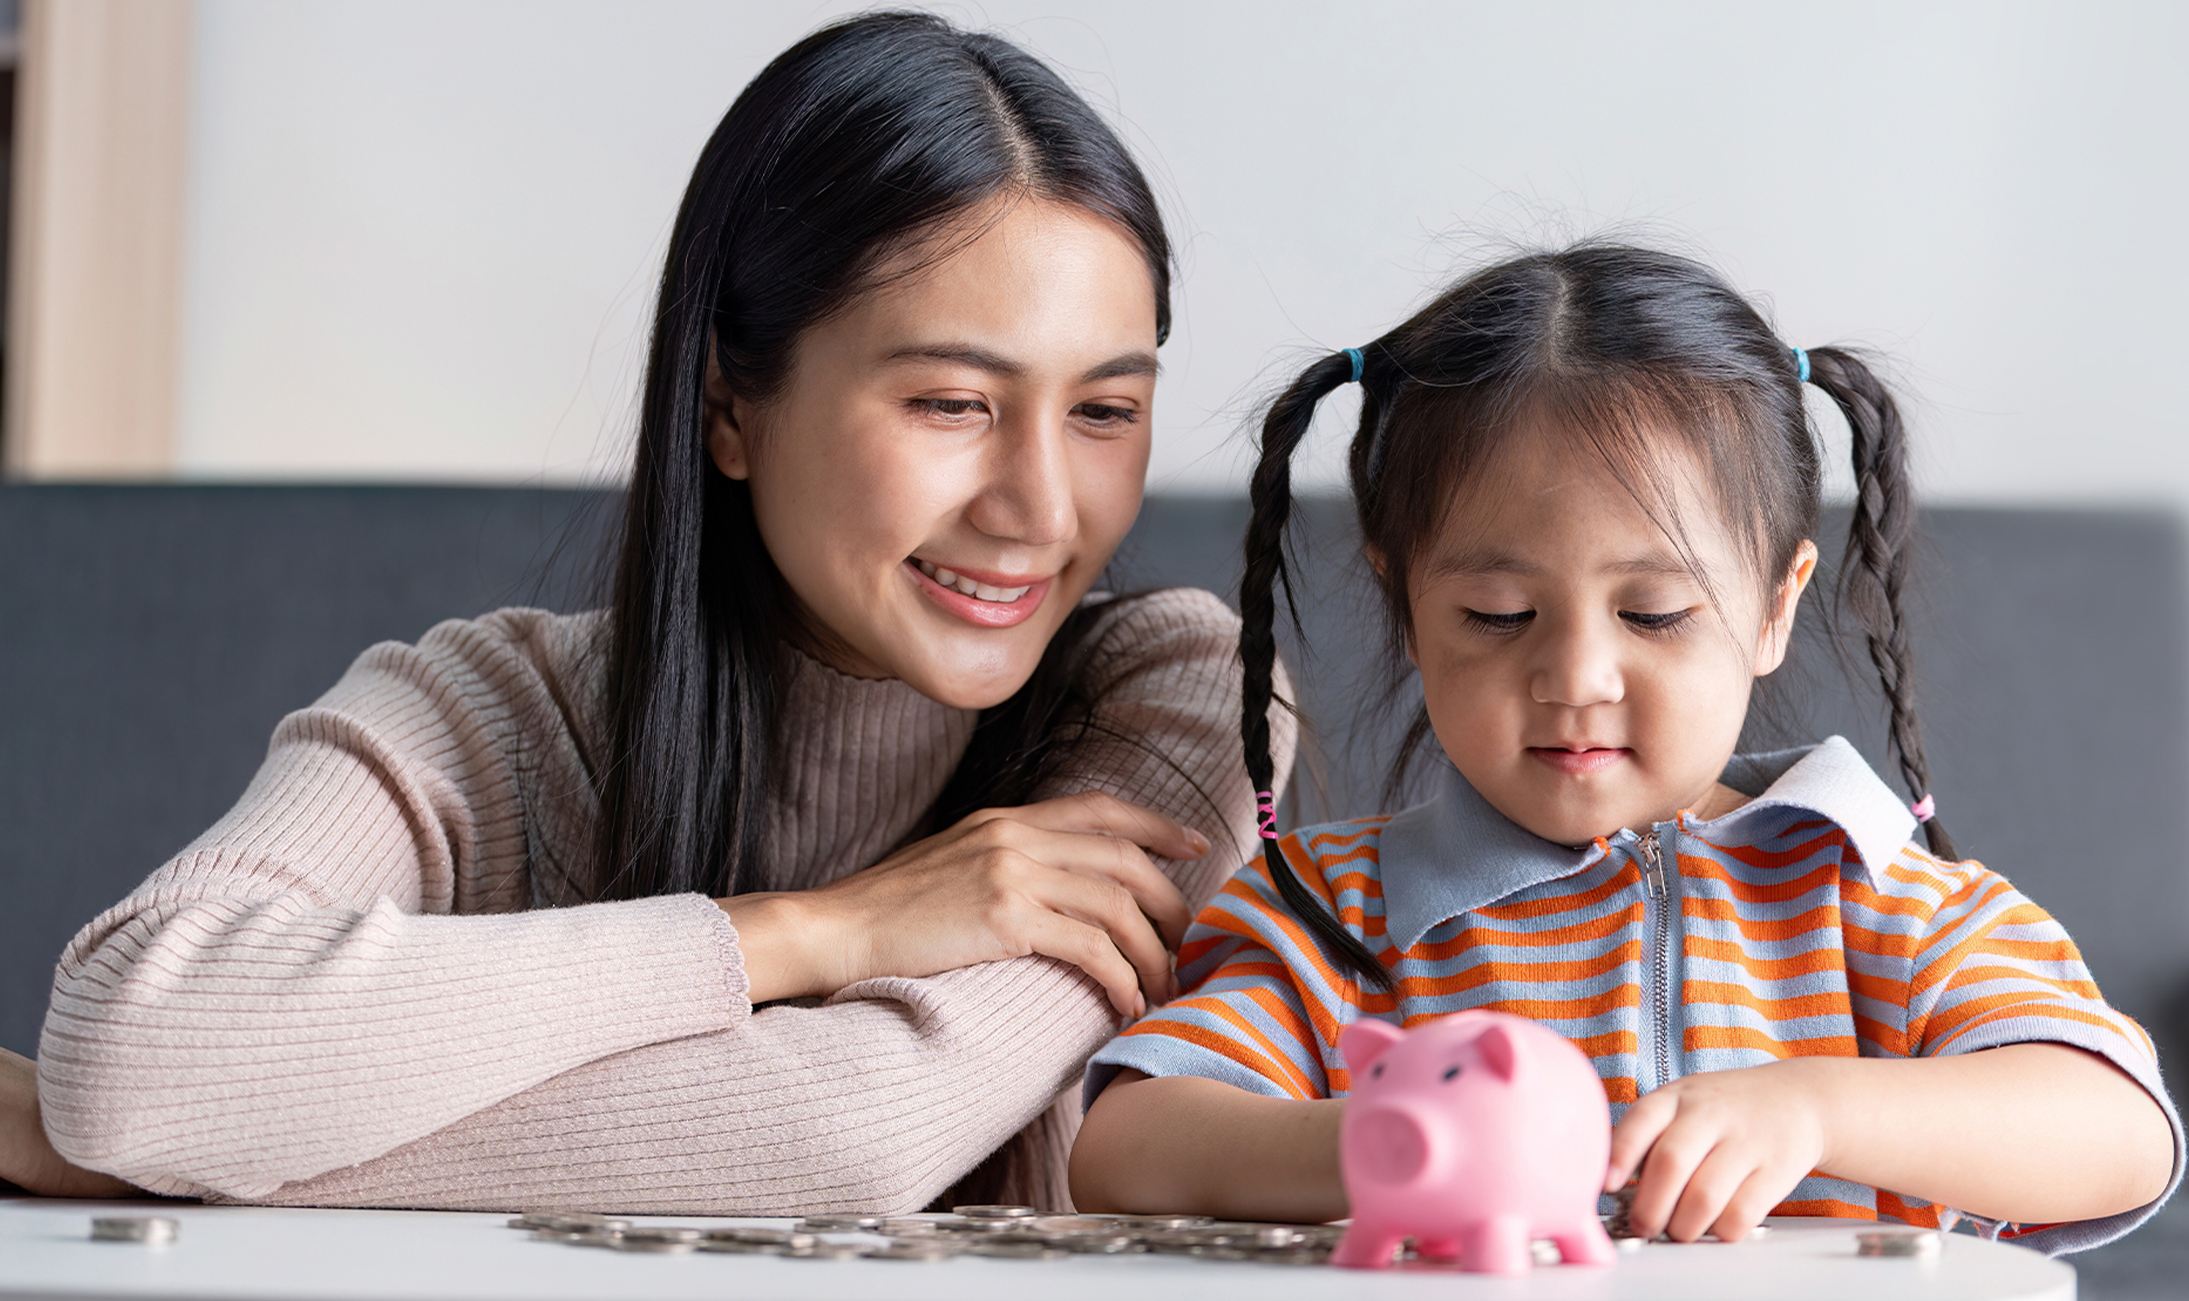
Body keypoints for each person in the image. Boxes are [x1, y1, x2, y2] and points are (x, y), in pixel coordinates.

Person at [0, 12, 1276, 1213]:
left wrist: (208, 1157)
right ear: (730, 406)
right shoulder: (490, 711)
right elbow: (132, 1050)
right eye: (950, 404)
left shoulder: (1181, 702)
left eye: (1105, 411)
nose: (1043, 510)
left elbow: (854, 1130)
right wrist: (815, 928)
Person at [1065, 244, 2180, 1255]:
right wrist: (1382, 1141)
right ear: (1401, 599)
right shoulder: (1331, 913)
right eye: (1498, 614)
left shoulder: (1876, 892)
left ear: (1771, 607)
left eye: (1652, 614)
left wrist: (1814, 1106)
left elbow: (2118, 1126)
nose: (1576, 676)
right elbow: (1125, 1145)